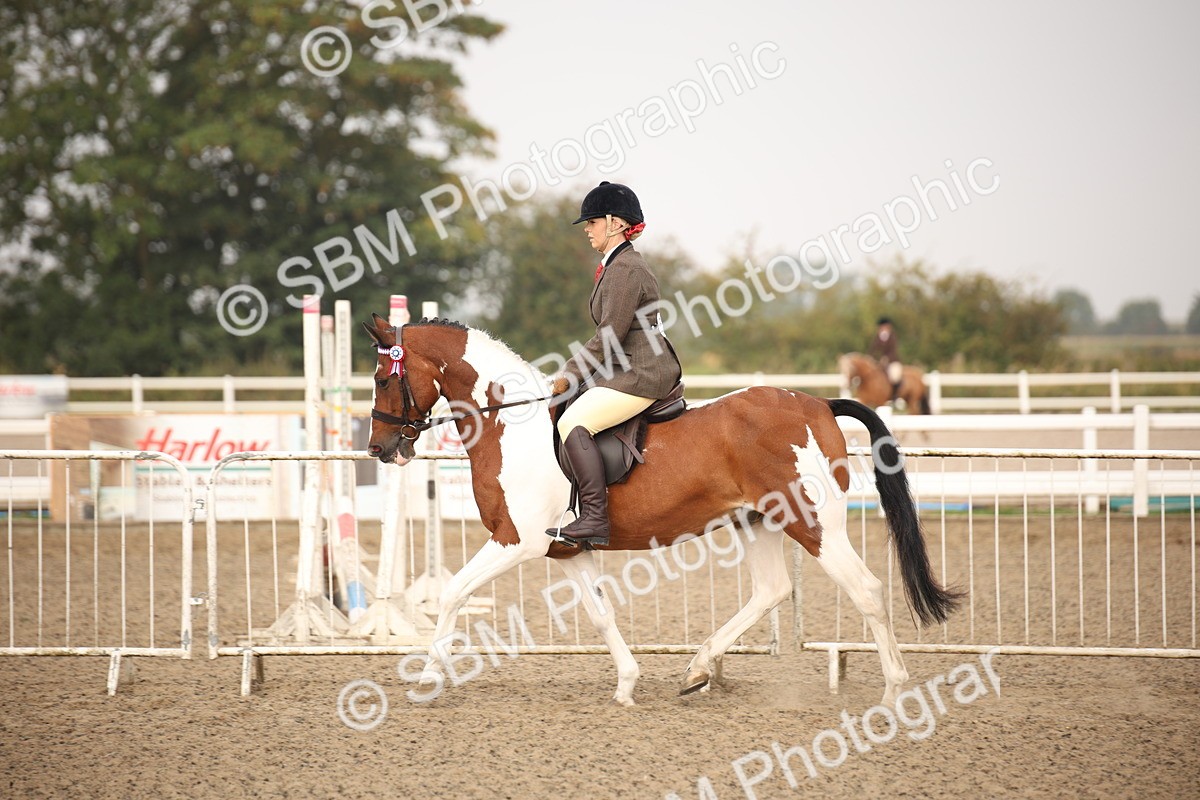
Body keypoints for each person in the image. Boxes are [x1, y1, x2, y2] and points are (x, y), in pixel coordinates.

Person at [546, 181, 682, 546]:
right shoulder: (617, 265)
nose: (587, 230)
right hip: (628, 367)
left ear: (615, 223)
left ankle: (593, 518)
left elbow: (609, 335)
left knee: (573, 420)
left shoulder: (626, 269)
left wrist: (569, 375)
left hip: (642, 373)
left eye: (591, 222)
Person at [869, 316, 903, 401]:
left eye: (885, 326)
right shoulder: (877, 337)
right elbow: (873, 349)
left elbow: (893, 350)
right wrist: (871, 358)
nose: (883, 328)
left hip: (892, 361)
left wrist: (886, 358)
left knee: (895, 376)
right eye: (882, 326)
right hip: (879, 362)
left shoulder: (892, 336)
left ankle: (895, 396)